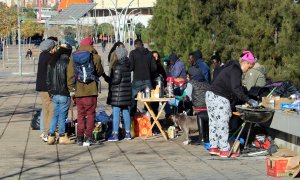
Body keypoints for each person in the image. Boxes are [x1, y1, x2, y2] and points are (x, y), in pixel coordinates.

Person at [205, 50, 258, 158]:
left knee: (214, 122)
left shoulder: (231, 68)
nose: (248, 70)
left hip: (210, 95)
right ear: (245, 63)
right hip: (220, 97)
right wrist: (248, 100)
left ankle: (214, 147)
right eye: (249, 67)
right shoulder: (236, 70)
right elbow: (236, 89)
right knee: (222, 124)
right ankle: (224, 150)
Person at [67, 37, 104, 146]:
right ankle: (88, 137)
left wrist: (71, 89)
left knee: (80, 114)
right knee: (91, 114)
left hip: (78, 91)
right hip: (91, 90)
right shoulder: (95, 57)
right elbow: (100, 72)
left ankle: (79, 138)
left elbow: (70, 75)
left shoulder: (74, 57)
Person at [46, 44, 73, 145]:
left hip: (54, 93)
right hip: (64, 93)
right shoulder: (68, 62)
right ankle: (62, 136)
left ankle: (51, 135)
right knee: (62, 116)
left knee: (55, 115)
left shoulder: (52, 61)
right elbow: (70, 79)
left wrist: (50, 92)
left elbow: (48, 80)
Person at [107, 47, 132, 141]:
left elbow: (116, 80)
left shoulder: (117, 65)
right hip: (126, 94)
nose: (115, 55)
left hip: (118, 95)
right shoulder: (127, 64)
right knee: (126, 113)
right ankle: (128, 133)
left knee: (116, 113)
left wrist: (109, 79)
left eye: (116, 53)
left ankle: (115, 134)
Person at [35, 39, 57, 142]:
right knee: (51, 110)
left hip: (41, 87)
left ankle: (44, 132)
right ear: (50, 48)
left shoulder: (42, 55)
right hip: (47, 88)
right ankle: (48, 133)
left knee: (45, 110)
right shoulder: (50, 57)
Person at [129, 39, 157, 115]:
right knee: (149, 101)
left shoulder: (133, 53)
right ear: (142, 44)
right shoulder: (149, 53)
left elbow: (130, 67)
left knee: (132, 100)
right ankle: (149, 118)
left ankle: (132, 117)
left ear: (135, 45)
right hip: (147, 80)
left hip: (137, 80)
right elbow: (154, 68)